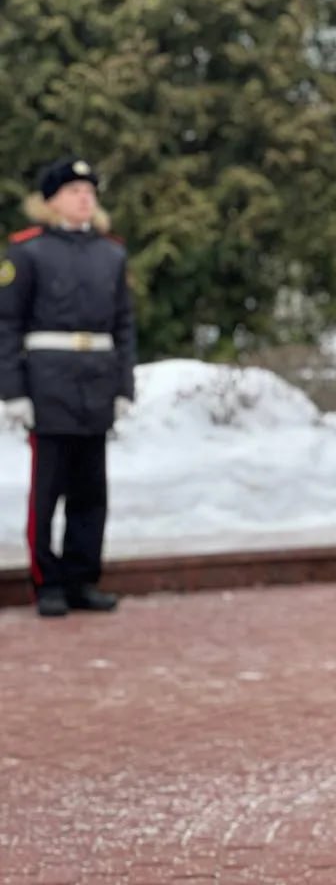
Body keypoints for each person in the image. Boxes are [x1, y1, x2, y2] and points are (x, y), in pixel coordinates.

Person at [0, 157, 136, 618]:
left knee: (91, 489)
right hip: (48, 382)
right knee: (48, 488)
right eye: (75, 189)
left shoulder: (111, 253)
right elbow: (7, 325)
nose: (85, 197)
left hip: (96, 380)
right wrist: (13, 390)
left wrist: (123, 386)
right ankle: (48, 582)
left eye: (89, 190)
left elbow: (124, 325)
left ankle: (82, 578)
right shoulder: (27, 251)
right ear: (51, 198)